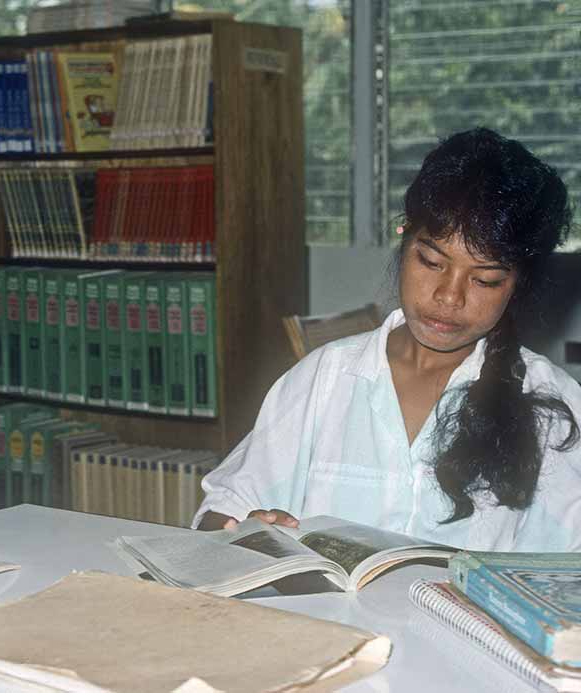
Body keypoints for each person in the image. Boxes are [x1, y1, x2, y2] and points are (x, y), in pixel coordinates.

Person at [194, 128, 581, 551]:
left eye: (485, 280)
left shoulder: (551, 405)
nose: (449, 297)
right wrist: (248, 531)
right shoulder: (326, 378)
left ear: (516, 286)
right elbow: (218, 514)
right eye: (431, 261)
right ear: (404, 241)